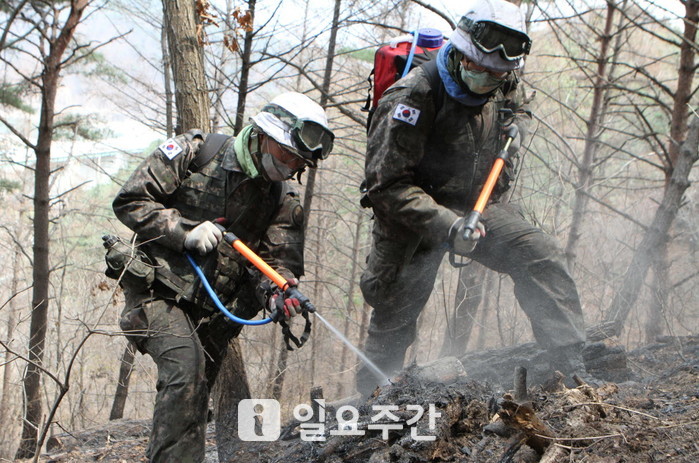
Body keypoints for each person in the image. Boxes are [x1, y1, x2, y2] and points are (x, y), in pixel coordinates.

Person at [356, 0, 589, 397]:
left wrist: (515, 129)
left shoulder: (504, 81)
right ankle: (370, 401)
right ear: (462, 54)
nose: (490, 78)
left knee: (540, 256)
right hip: (412, 217)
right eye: (483, 68)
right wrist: (448, 226)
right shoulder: (412, 97)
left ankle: (570, 369)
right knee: (395, 313)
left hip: (476, 206)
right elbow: (385, 186)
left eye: (499, 72)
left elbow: (519, 108)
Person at [110, 92, 334, 462]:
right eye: (286, 154)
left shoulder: (283, 199)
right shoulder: (196, 153)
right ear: (262, 135)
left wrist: (277, 291)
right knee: (186, 373)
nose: (291, 166)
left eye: (299, 161)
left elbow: (275, 264)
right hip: (158, 292)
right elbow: (130, 200)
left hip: (215, 314)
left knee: (193, 396)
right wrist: (184, 232)